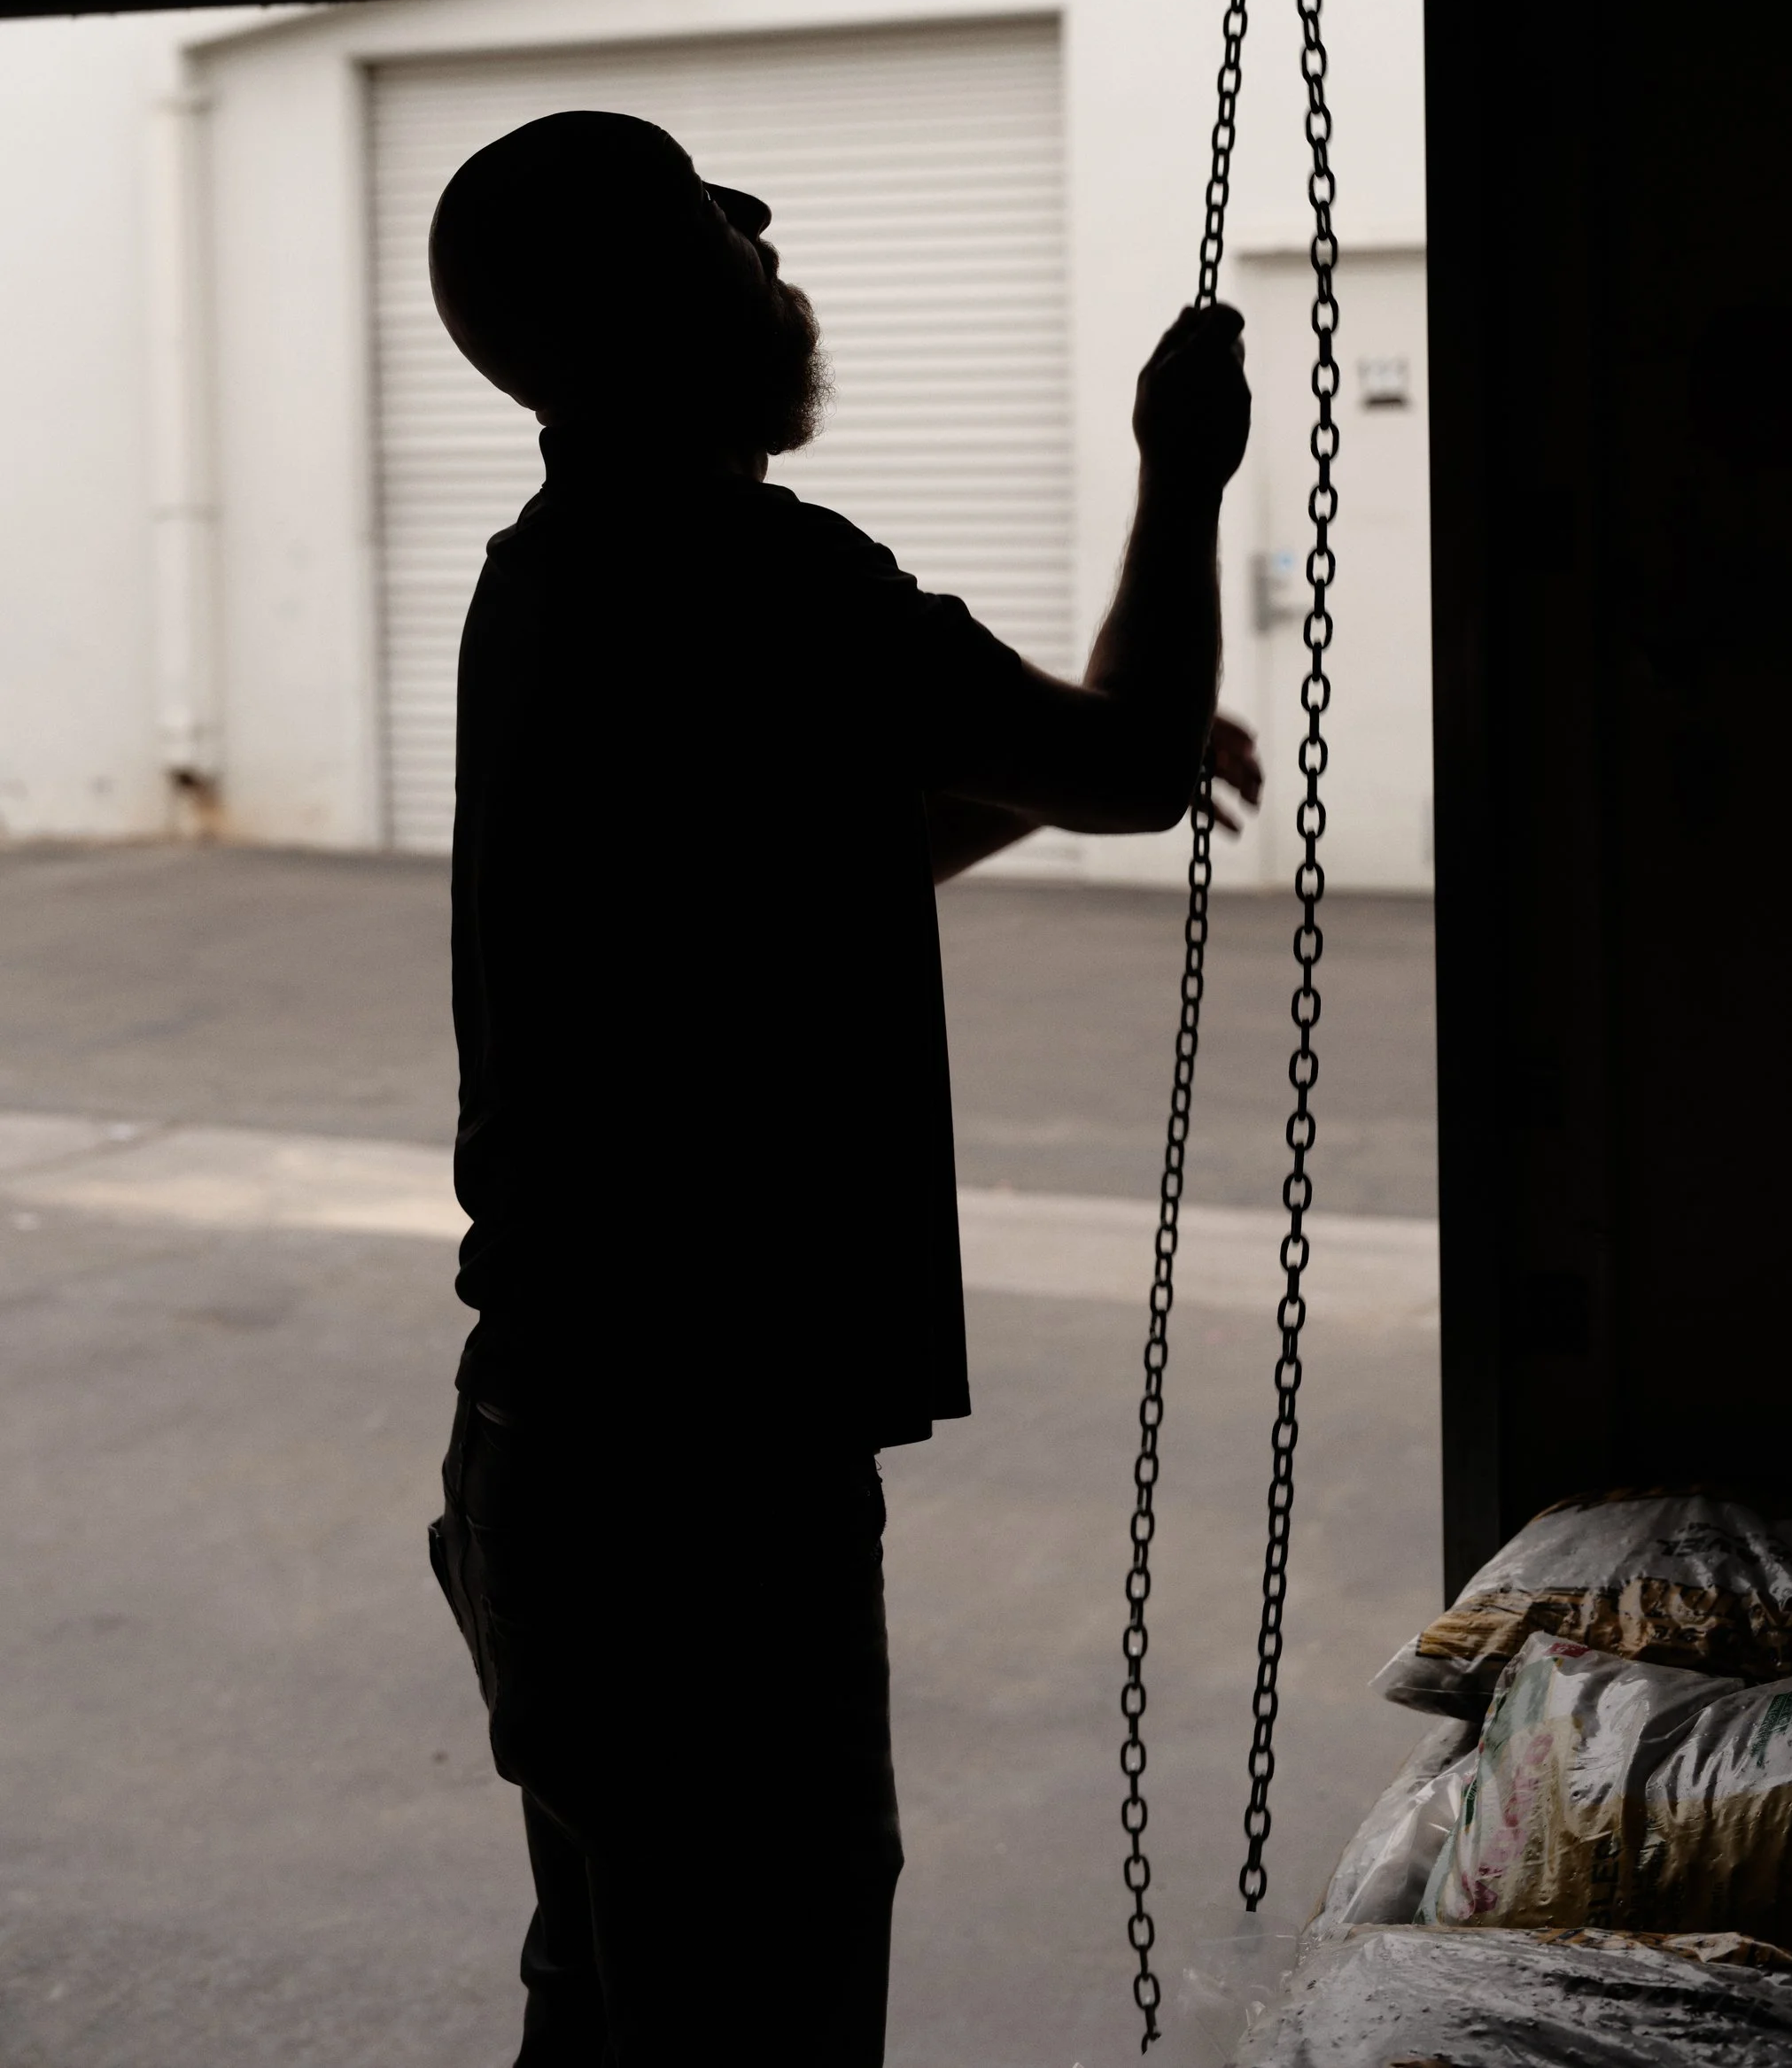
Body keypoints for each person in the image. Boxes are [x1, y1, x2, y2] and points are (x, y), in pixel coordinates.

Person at [423, 109, 1260, 2065]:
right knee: (761, 2009)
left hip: (556, 1459)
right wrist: (1179, 474)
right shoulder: (758, 570)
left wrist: (1033, 777)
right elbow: (1134, 761)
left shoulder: (546, 578)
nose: (768, 230)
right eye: (718, 220)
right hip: (706, 1492)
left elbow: (796, 863)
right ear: (674, 308)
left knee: (616, 1999)